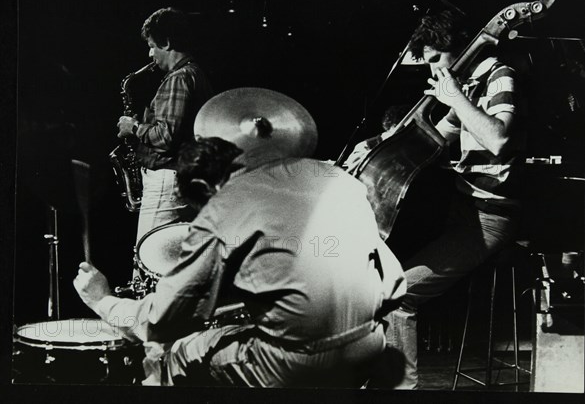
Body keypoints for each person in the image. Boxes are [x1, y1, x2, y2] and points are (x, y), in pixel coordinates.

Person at [75, 89, 407, 387]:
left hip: (296, 365)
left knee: (173, 353)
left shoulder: (226, 204)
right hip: (370, 347)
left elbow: (160, 320)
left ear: (206, 189)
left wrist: (102, 300)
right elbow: (394, 285)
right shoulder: (339, 179)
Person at [361, 9, 526, 388]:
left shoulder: (500, 77)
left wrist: (455, 97)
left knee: (397, 295)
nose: (433, 68)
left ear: (461, 47)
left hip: (488, 218)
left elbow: (498, 139)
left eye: (436, 58)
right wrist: (370, 147)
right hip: (460, 211)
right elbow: (431, 139)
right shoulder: (468, 84)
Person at [117, 7, 214, 242]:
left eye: (152, 46)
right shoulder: (195, 74)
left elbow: (166, 137)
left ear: (167, 42)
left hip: (167, 183)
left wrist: (134, 127)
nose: (150, 54)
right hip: (185, 181)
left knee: (146, 261)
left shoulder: (179, 78)